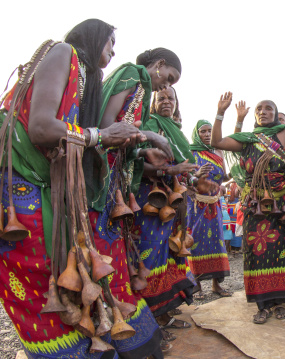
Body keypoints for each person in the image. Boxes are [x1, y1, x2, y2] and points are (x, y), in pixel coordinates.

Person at [0, 19, 164, 358]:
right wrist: (101, 136)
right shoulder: (63, 52)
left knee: (59, 271)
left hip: (37, 183)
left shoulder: (84, 75)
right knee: (38, 272)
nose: (112, 55)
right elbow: (42, 128)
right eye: (110, 45)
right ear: (95, 37)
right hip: (17, 184)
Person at [97, 47, 186, 355]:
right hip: (104, 181)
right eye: (169, 78)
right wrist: (153, 136)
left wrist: (166, 164)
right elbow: (108, 125)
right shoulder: (132, 74)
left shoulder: (139, 84)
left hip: (114, 178)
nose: (166, 87)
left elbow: (123, 142)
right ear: (158, 65)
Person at [211, 77, 285, 324]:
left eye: (268, 108)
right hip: (255, 208)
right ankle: (262, 304)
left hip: (284, 207)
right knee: (257, 253)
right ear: (255, 115)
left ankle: (280, 299)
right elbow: (216, 142)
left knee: (283, 252)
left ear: (275, 112)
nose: (263, 112)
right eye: (259, 109)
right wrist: (220, 113)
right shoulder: (248, 139)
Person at [133, 87, 211, 342]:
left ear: (177, 103)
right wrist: (171, 170)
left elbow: (179, 168)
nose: (167, 101)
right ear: (152, 103)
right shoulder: (148, 124)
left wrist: (192, 175)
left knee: (168, 252)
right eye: (161, 98)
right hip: (152, 202)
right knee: (151, 255)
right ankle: (150, 320)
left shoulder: (173, 128)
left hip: (174, 200)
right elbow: (136, 164)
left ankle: (163, 314)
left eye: (171, 98)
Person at [187, 120, 232, 299]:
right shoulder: (190, 152)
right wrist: (196, 175)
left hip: (215, 205)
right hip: (196, 205)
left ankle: (216, 285)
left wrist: (234, 174)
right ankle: (197, 285)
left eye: (209, 131)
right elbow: (186, 177)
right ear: (196, 134)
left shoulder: (218, 152)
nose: (207, 134)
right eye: (203, 131)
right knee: (195, 242)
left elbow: (224, 175)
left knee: (216, 242)